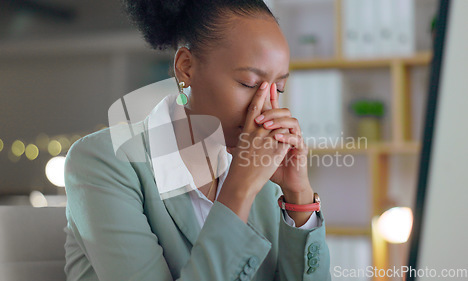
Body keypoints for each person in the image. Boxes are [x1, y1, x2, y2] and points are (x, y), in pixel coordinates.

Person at [63, 0, 331, 280]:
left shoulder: (263, 178)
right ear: (186, 67)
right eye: (249, 84)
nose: (265, 108)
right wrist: (238, 191)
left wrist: (298, 197)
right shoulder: (104, 161)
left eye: (279, 88)